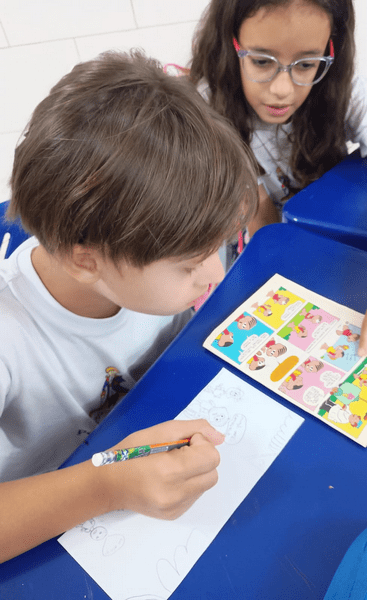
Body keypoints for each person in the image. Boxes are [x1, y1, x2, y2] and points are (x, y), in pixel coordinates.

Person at [0, 50, 259, 563]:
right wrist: (108, 486)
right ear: (87, 261)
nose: (215, 274)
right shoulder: (11, 337)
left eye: (219, 247)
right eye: (190, 265)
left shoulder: (137, 259)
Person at [189, 0, 367, 359]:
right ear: (230, 43)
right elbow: (260, 215)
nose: (282, 89)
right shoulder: (207, 106)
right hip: (262, 235)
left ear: (331, 49)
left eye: (306, 64)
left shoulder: (343, 89)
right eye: (262, 61)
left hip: (327, 225)